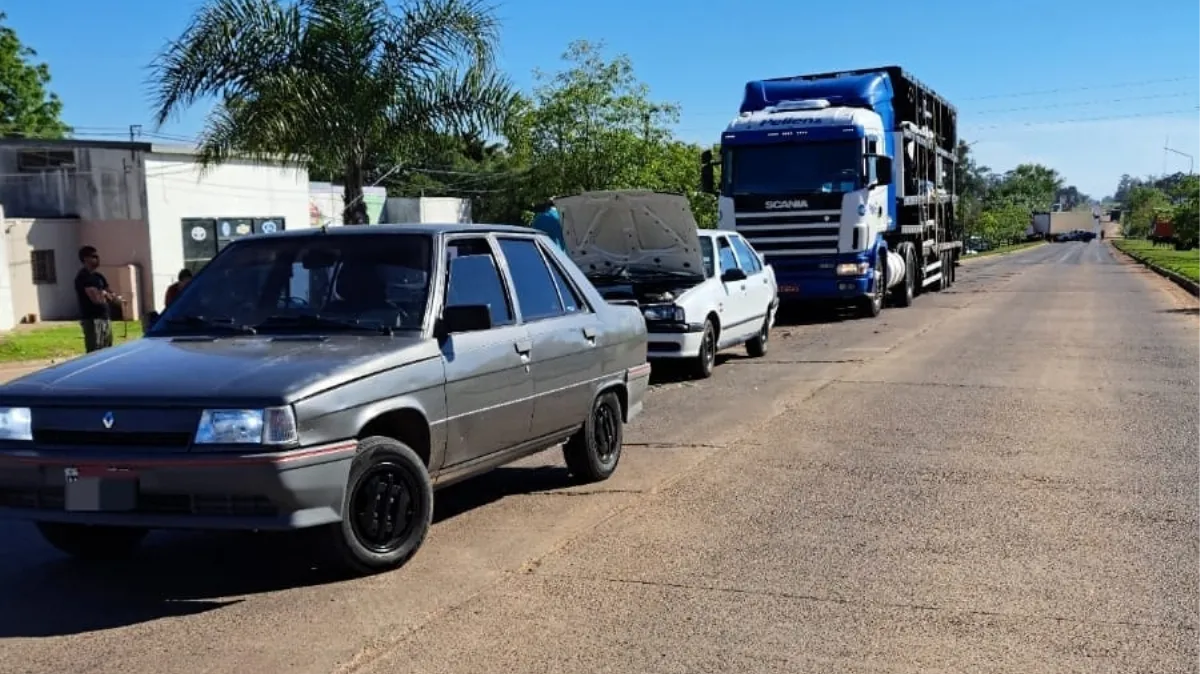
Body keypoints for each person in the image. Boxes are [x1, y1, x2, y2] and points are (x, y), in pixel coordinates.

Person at [74, 245, 116, 352]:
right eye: (94, 256)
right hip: (92, 320)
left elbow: (112, 295)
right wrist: (104, 294)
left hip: (105, 317)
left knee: (108, 350)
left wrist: (105, 294)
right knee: (95, 351)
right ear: (85, 259)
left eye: (97, 256)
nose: (97, 259)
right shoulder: (83, 277)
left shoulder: (99, 277)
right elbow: (96, 299)